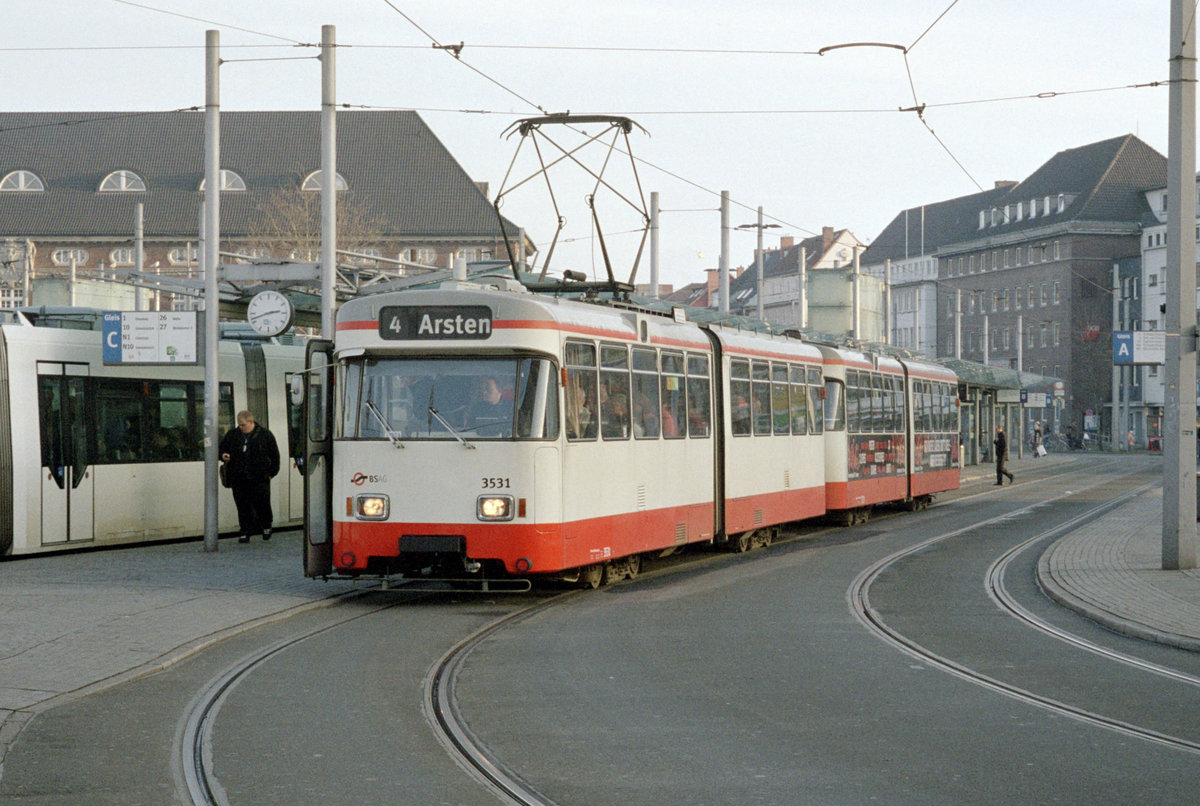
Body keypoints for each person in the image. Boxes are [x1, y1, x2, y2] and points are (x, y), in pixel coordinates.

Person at [219, 410, 280, 543]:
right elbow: (222, 449)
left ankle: (266, 526)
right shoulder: (233, 435)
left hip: (260, 477)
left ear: (251, 422)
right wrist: (223, 455)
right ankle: (245, 531)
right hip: (238, 478)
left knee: (262, 503)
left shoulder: (265, 435)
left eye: (243, 425)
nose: (240, 427)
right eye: (239, 425)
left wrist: (271, 474)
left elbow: (275, 456)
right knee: (242, 505)